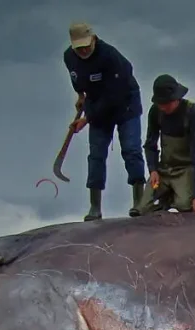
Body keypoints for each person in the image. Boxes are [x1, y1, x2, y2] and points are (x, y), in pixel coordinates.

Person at [63, 21, 146, 220]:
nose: (83, 51)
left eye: (86, 46)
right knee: (96, 155)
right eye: (79, 47)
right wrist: (81, 97)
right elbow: (77, 80)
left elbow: (113, 97)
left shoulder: (111, 58)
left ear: (93, 38)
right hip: (96, 103)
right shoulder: (69, 57)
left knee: (131, 150)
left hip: (124, 104)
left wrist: (87, 119)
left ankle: (139, 203)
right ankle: (95, 207)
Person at [133, 74, 195, 216]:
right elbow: (150, 144)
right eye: (160, 103)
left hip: (187, 167)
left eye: (167, 103)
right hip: (164, 169)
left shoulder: (192, 113)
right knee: (140, 210)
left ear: (177, 97)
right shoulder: (156, 112)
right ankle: (167, 198)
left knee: (185, 206)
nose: (163, 107)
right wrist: (153, 169)